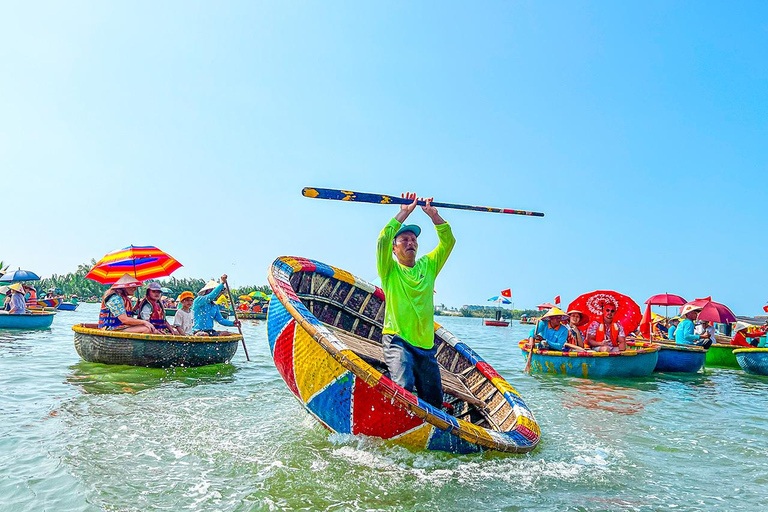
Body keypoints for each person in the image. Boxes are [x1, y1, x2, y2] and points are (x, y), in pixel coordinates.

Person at [377, 192, 455, 409]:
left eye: (413, 239)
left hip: (426, 347)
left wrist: (434, 216)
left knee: (434, 402)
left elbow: (448, 241)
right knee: (403, 386)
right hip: (397, 340)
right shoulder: (389, 270)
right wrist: (403, 212)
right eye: (404, 239)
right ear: (394, 248)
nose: (410, 242)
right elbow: (383, 239)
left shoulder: (428, 266)